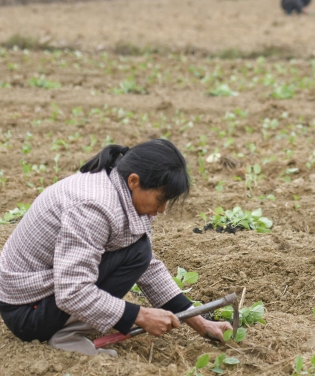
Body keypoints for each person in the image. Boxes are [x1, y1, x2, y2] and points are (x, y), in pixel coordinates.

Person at [0, 140, 232, 356]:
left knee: (139, 252)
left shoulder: (120, 191)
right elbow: (71, 290)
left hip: (42, 296)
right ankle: (67, 337)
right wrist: (139, 315)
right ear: (134, 181)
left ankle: (67, 326)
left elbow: (147, 267)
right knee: (137, 252)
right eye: (161, 199)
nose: (161, 210)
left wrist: (198, 321)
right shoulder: (93, 207)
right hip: (27, 311)